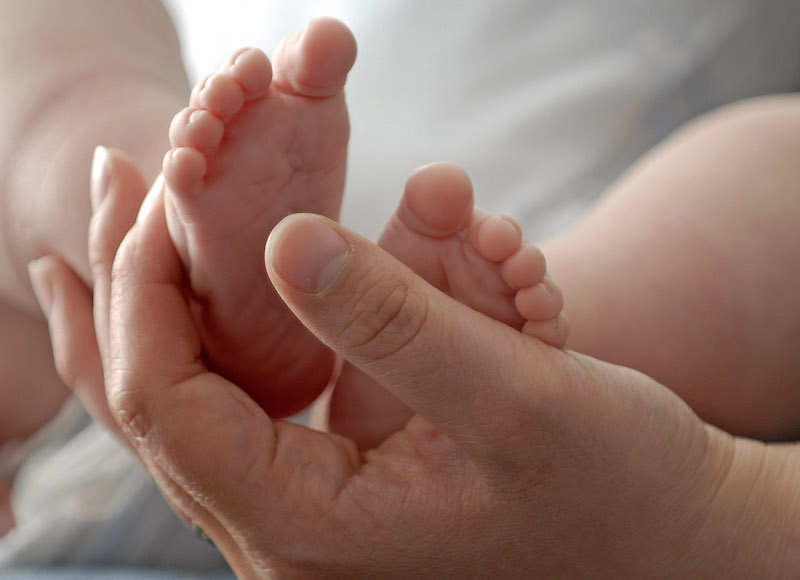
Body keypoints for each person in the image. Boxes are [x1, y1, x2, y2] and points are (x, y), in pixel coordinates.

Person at [2, 0, 800, 572]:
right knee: (738, 222)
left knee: (53, 131)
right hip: (69, 478)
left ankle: (159, 248)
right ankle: (480, 372)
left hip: (77, 398)